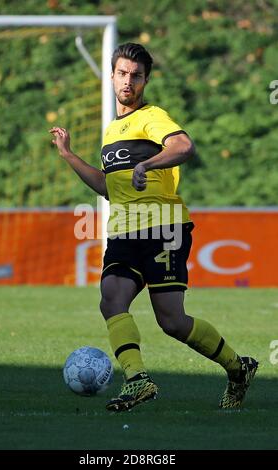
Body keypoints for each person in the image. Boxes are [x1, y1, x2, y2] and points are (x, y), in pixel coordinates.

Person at [49, 43, 258, 412]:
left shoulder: (152, 117)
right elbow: (106, 187)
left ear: (145, 80)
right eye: (122, 73)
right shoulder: (113, 131)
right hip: (124, 231)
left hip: (163, 228)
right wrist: (68, 156)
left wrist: (150, 165)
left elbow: (183, 146)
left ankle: (237, 368)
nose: (128, 81)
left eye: (136, 75)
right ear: (112, 75)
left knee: (173, 322)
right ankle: (137, 381)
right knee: (111, 298)